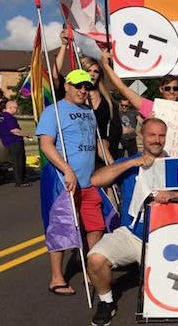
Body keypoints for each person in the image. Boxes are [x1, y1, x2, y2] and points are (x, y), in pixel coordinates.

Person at [86, 118, 178, 326]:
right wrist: (132, 162)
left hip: (166, 239)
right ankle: (106, 303)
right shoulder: (131, 162)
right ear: (142, 136)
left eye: (161, 135)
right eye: (152, 135)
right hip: (131, 234)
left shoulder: (177, 165)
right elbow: (96, 180)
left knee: (173, 300)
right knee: (95, 258)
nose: (157, 140)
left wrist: (174, 194)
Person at [35, 69, 109, 296]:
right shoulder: (53, 112)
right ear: (67, 86)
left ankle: (93, 271)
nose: (82, 90)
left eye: (86, 86)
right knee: (62, 229)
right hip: (63, 181)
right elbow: (46, 145)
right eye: (78, 86)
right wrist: (66, 169)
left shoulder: (89, 111)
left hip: (89, 182)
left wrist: (112, 167)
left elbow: (97, 143)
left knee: (96, 227)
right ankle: (57, 278)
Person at [54, 31, 121, 164]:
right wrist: (63, 45)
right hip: (78, 153)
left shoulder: (107, 100)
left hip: (103, 154)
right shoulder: (73, 97)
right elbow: (55, 75)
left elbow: (116, 128)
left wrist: (108, 141)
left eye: (96, 71)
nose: (92, 74)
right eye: (88, 71)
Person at [100, 50, 178, 119]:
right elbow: (123, 88)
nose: (171, 91)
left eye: (175, 88)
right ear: (161, 89)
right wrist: (106, 65)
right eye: (168, 88)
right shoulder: (151, 107)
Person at [0, 100, 32, 187]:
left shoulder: (1, 116)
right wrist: (27, 135)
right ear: (10, 107)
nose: (16, 110)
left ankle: (19, 180)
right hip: (15, 142)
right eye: (15, 108)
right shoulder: (9, 117)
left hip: (7, 142)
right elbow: (15, 131)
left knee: (15, 162)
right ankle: (21, 181)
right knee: (19, 161)